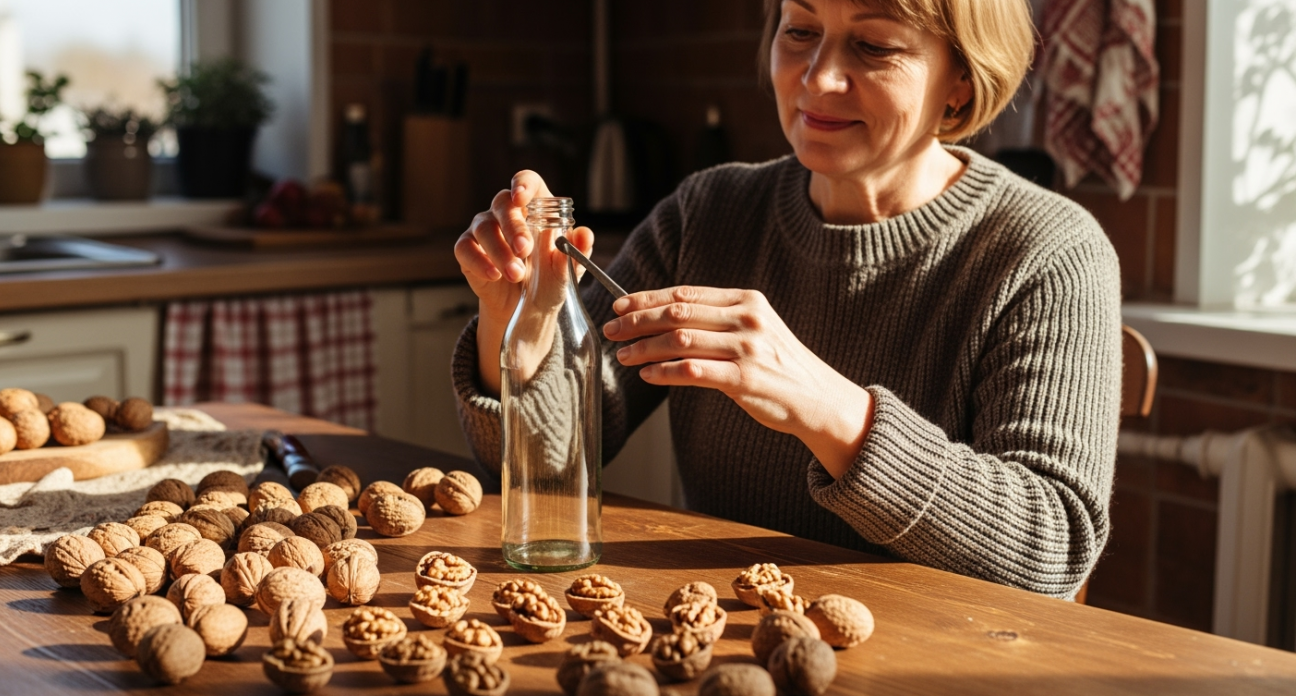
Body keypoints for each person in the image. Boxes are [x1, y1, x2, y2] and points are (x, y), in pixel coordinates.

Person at [451, 0, 1121, 600]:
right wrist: (525, 319)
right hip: (724, 640)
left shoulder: (1050, 252)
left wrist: (826, 406)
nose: (818, 77)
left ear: (961, 83)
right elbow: (540, 461)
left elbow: (1051, 547)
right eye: (799, 30)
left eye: (874, 46)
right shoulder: (707, 212)